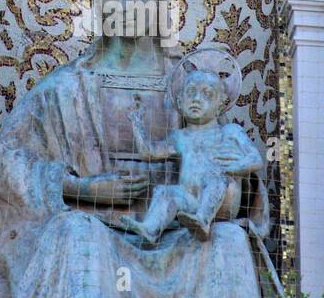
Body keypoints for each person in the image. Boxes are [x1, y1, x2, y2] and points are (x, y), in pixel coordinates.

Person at [0, 0, 273, 298]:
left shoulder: (193, 85)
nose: (121, 3)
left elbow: (238, 179)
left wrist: (223, 187)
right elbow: (1, 165)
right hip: (97, 234)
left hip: (181, 237)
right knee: (76, 235)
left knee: (228, 241)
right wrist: (81, 189)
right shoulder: (63, 89)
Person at [111, 68, 263, 244]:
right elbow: (149, 153)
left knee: (214, 178)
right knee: (165, 192)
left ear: (220, 105)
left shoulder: (230, 131)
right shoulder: (179, 137)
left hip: (222, 202)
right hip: (189, 201)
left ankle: (203, 221)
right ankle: (151, 228)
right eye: (190, 92)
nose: (196, 99)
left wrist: (232, 168)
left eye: (207, 94)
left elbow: (256, 160)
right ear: (180, 101)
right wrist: (136, 122)